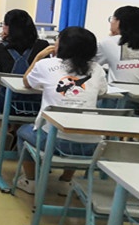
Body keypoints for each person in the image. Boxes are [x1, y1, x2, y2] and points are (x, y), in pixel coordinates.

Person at [15, 27, 108, 194]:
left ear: (62, 45)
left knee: (23, 132)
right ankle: (66, 181)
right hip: (91, 146)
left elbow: (27, 82)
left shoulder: (46, 65)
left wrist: (38, 57)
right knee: (77, 126)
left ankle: (31, 181)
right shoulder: (97, 69)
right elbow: (102, 92)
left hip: (54, 143)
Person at [0, 9, 49, 115]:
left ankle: (5, 123)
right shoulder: (43, 46)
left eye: (4, 24)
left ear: (8, 28)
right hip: (37, 104)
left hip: (6, 103)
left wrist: (4, 40)